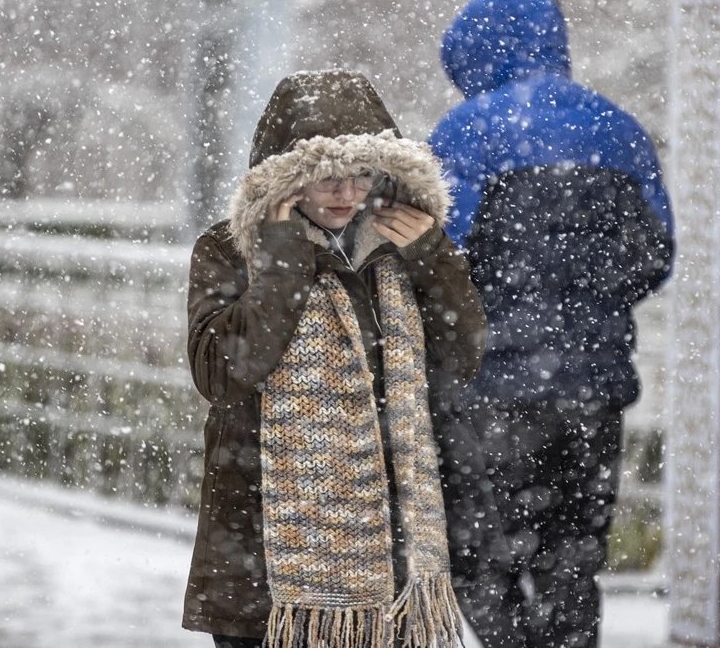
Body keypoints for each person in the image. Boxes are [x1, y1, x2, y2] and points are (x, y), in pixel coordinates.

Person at [182, 69, 490, 648]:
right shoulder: (228, 252)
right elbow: (224, 371)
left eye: (361, 175)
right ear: (283, 180)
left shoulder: (402, 250)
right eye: (326, 178)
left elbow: (464, 357)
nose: (346, 195)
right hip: (263, 557)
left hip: (387, 560)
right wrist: (281, 257)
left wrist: (432, 258)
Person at [428, 0, 675, 648]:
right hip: (594, 387)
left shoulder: (466, 133)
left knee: (484, 555)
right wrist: (583, 312)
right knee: (573, 561)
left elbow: (437, 258)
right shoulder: (621, 131)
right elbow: (655, 256)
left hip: (493, 391)